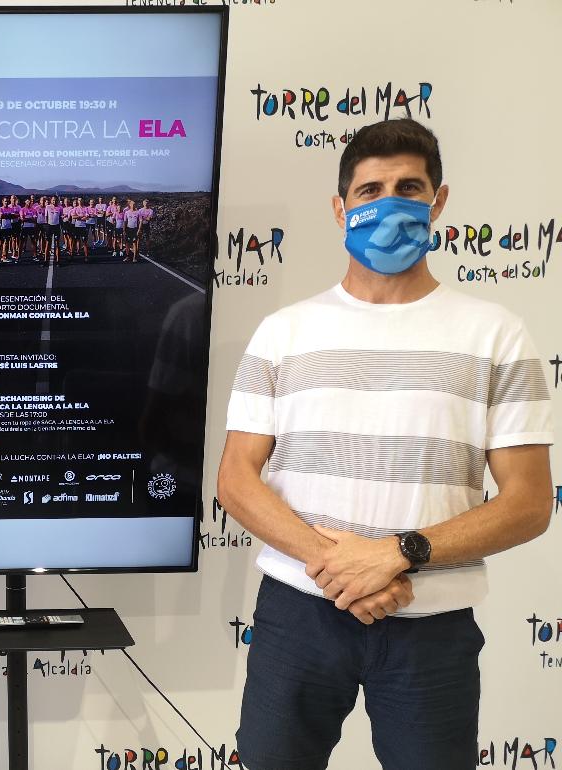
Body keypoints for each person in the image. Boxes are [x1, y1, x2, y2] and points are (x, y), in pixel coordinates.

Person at [217, 118, 553, 770]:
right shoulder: (284, 333)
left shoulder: (497, 335)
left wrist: (399, 555)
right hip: (299, 615)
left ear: (439, 200)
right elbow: (235, 479)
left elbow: (529, 503)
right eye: (370, 191)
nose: (387, 204)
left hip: (431, 625)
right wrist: (343, 566)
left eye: (409, 187)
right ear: (341, 207)